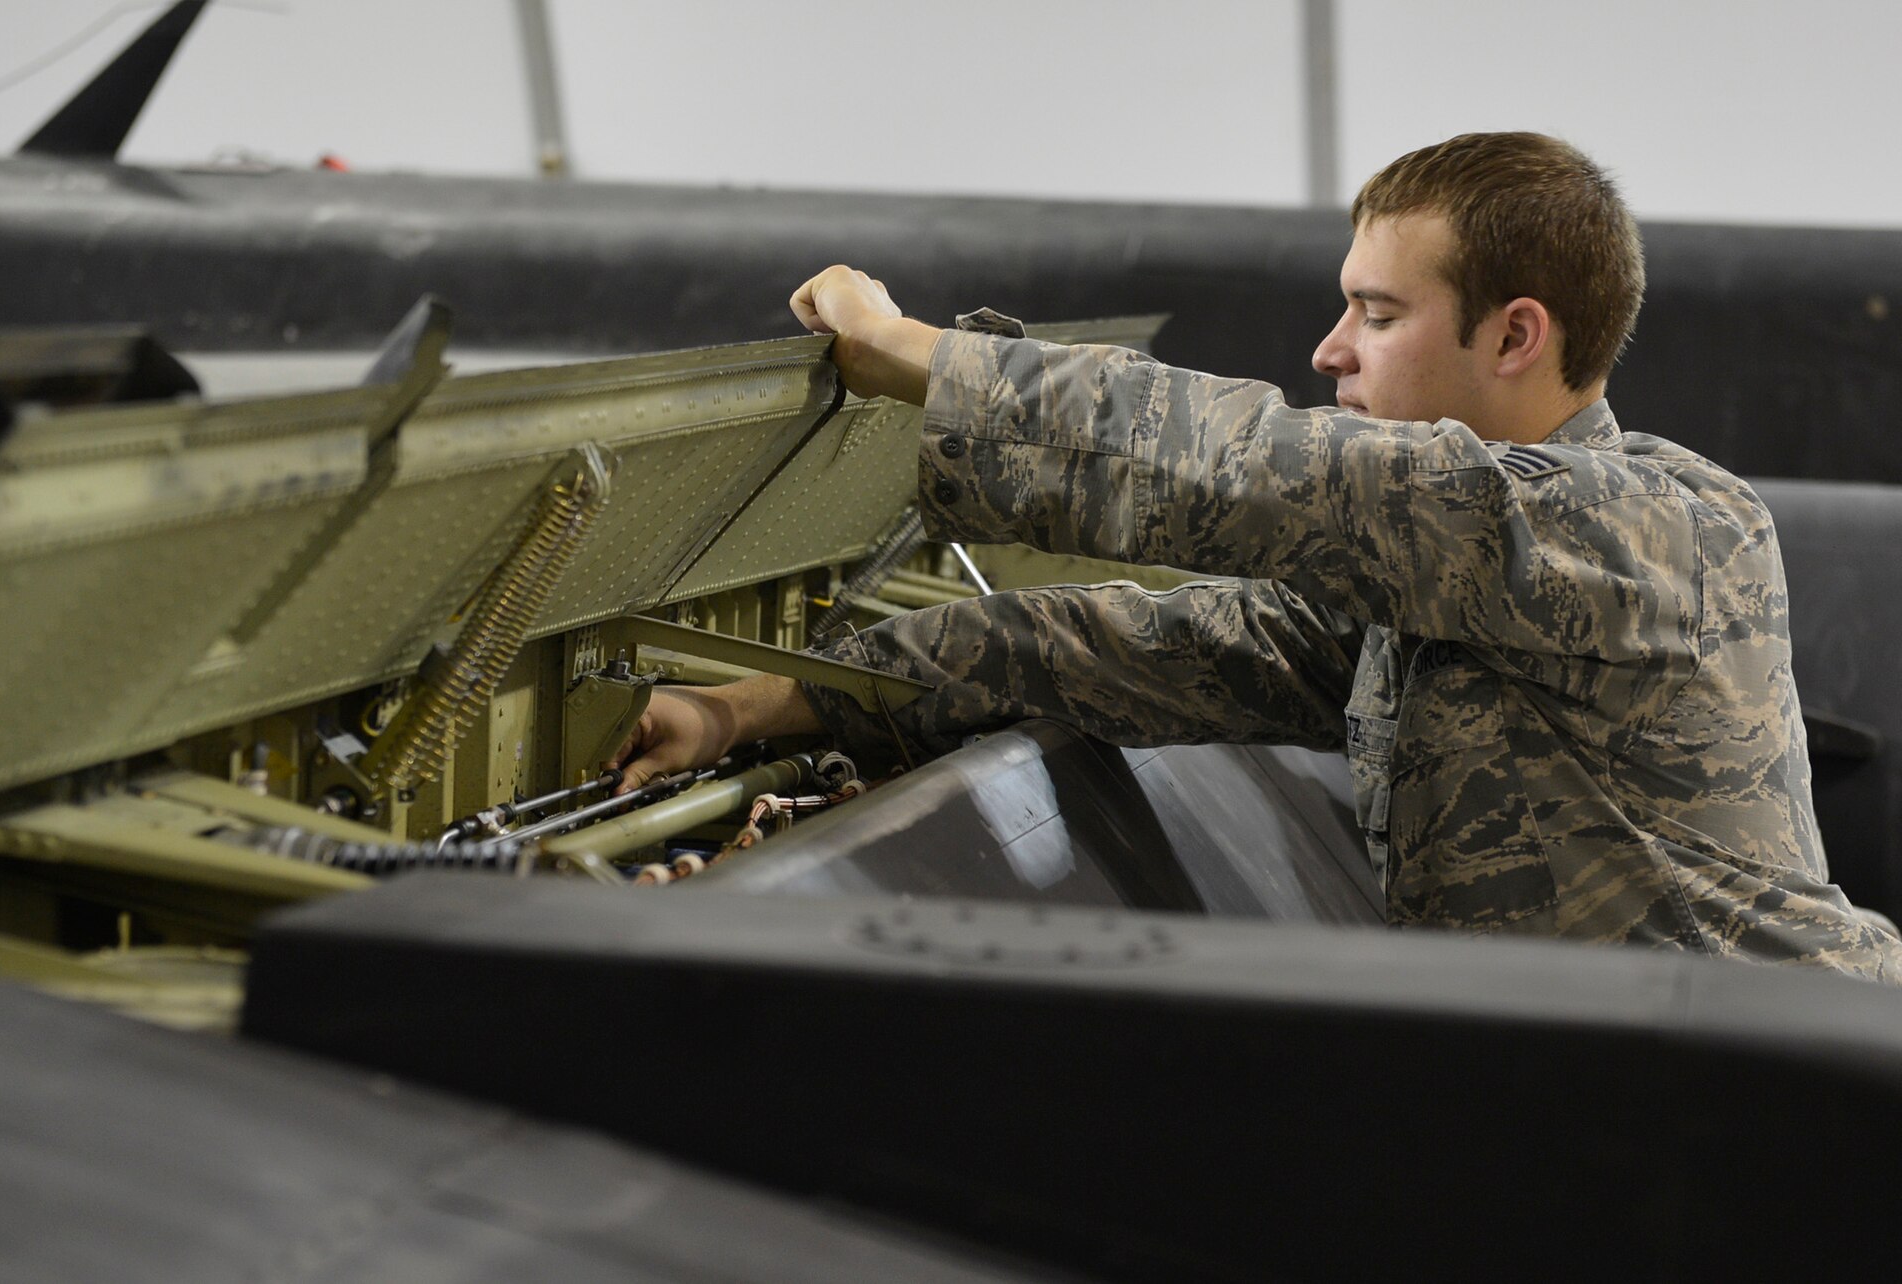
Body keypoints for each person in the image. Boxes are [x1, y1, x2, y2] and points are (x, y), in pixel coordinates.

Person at [612, 131, 1901, 982]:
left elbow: (1266, 473)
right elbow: (1145, 645)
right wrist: (763, 700)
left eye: (1378, 313)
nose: (1332, 350)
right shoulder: (1438, 598)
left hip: (1786, 1122)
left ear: (1516, 336)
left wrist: (920, 359)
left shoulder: (1653, 532)